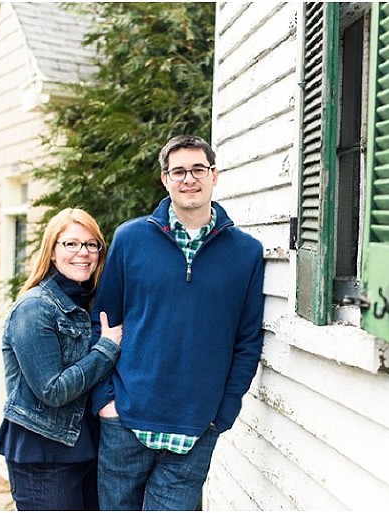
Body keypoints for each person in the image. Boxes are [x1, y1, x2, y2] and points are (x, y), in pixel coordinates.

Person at [90, 134, 265, 510]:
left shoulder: (246, 253)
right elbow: (101, 322)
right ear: (165, 179)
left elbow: (247, 341)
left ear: (214, 176)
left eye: (198, 169)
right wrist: (106, 401)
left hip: (196, 427)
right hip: (126, 420)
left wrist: (223, 412)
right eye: (179, 171)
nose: (189, 179)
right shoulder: (130, 239)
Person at [0, 208, 123, 511]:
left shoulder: (88, 304)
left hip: (84, 447)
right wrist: (106, 348)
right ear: (51, 252)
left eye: (92, 244)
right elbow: (53, 390)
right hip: (44, 454)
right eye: (71, 244)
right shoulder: (35, 308)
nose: (83, 252)